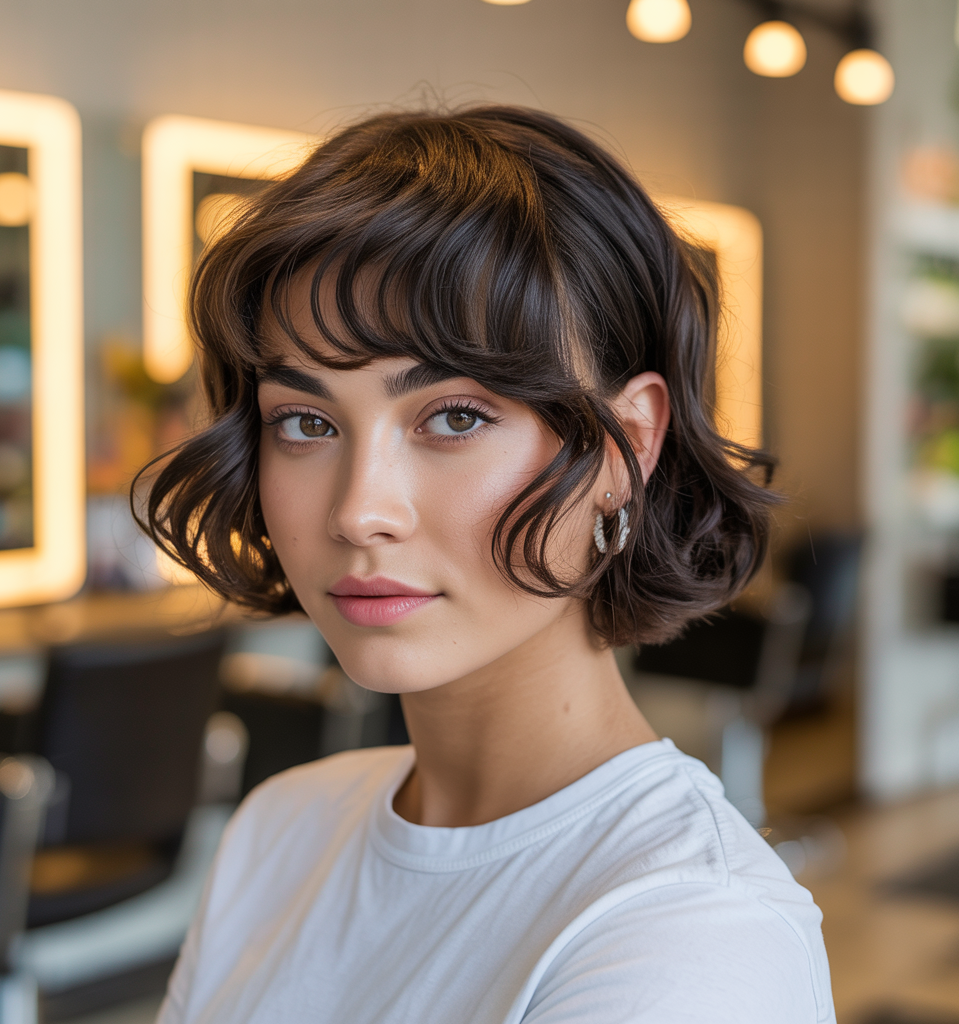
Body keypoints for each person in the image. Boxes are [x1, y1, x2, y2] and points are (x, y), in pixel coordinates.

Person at [140, 106, 834, 1023]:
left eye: (456, 417)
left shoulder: (689, 936)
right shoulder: (282, 826)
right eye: (306, 423)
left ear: (626, 445)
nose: (359, 511)